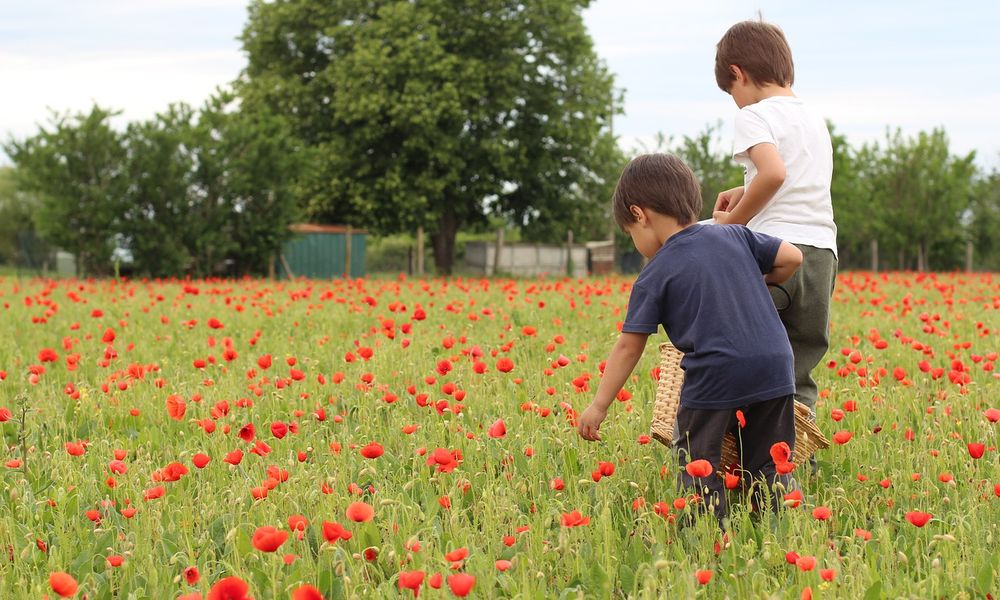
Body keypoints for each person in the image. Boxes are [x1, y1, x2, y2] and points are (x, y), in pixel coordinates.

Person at [577, 153, 803, 524]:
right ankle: (774, 534)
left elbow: (629, 346)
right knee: (769, 463)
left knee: (698, 459)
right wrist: (751, 283)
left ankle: (708, 534)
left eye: (631, 233)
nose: (636, 242)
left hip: (715, 374)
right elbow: (792, 257)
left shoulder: (656, 273)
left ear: (639, 214)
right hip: (775, 366)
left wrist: (599, 406)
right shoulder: (733, 233)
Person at [711, 20, 838, 428]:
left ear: (737, 73)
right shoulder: (813, 118)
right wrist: (743, 186)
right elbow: (794, 177)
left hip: (776, 252)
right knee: (799, 365)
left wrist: (732, 222)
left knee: (754, 357)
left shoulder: (755, 116)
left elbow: (774, 175)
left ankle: (753, 457)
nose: (736, 102)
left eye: (732, 94)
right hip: (820, 256)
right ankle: (798, 461)